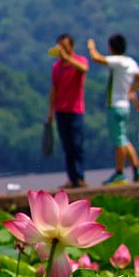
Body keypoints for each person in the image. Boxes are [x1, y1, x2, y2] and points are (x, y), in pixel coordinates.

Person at [87, 34, 139, 185]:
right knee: (124, 138)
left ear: (111, 47)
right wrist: (131, 90)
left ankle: (120, 173)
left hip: (114, 105)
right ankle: (136, 170)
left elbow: (97, 58)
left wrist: (91, 46)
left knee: (119, 140)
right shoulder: (130, 62)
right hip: (125, 106)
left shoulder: (118, 61)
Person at [48, 33, 88, 189]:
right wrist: (50, 111)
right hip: (60, 110)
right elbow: (54, 89)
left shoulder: (79, 61)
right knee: (67, 146)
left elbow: (83, 69)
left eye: (65, 46)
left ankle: (80, 177)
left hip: (75, 109)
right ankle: (72, 178)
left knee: (77, 144)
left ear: (71, 47)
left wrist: (67, 57)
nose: (62, 50)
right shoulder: (56, 67)